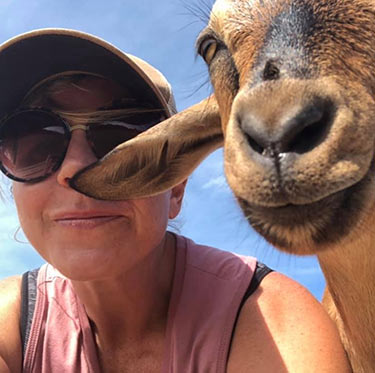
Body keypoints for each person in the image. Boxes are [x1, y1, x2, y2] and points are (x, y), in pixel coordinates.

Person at [0, 29, 349, 373]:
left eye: (121, 136)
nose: (75, 167)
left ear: (176, 190)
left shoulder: (268, 318)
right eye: (33, 143)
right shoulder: (10, 319)